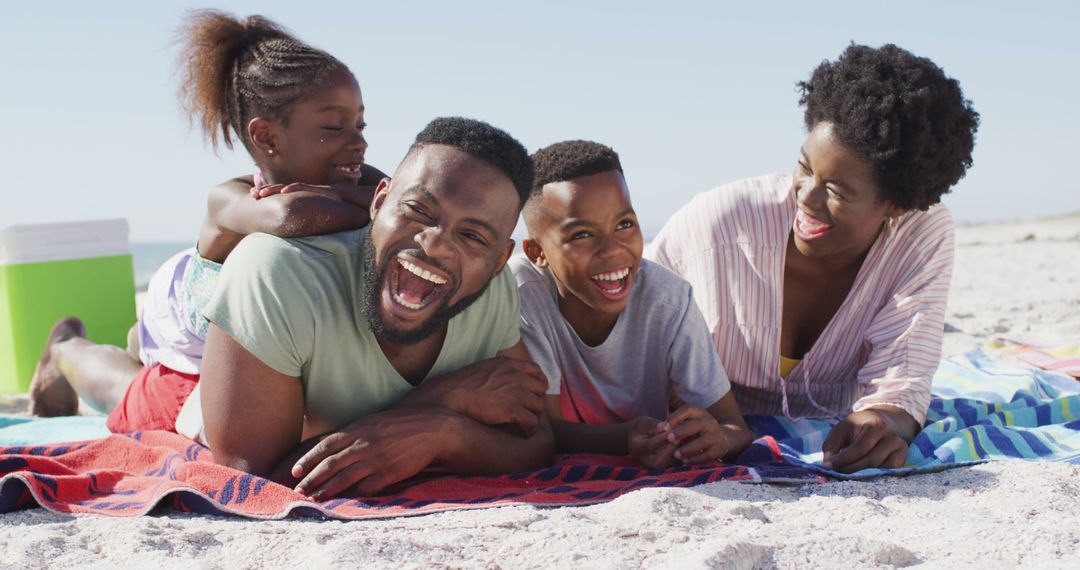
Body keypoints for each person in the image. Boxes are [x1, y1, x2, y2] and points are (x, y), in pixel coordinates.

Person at [29, 10, 384, 419]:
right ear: (266, 136)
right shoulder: (229, 199)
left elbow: (404, 202)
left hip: (261, 345)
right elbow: (290, 216)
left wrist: (365, 197)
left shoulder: (356, 179)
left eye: (360, 124)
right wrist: (364, 200)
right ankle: (65, 348)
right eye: (334, 128)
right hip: (188, 325)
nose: (359, 142)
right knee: (133, 401)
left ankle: (134, 343)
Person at [647, 44, 980, 473]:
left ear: (895, 205)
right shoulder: (721, 224)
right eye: (804, 167)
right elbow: (633, 327)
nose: (805, 195)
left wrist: (882, 422)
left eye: (837, 190)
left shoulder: (919, 235)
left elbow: (903, 373)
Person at [195, 116, 554, 499]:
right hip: (200, 382)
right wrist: (441, 399)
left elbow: (537, 440)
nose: (435, 243)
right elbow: (255, 483)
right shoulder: (277, 271)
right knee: (147, 385)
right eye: (417, 209)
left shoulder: (492, 290)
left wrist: (444, 431)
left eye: (472, 236)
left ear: (500, 260)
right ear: (380, 202)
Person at [512, 140, 754, 468]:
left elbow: (736, 427)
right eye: (582, 234)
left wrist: (717, 438)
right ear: (536, 252)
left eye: (624, 225)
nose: (612, 250)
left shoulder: (668, 298)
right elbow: (545, 432)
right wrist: (624, 437)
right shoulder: (522, 293)